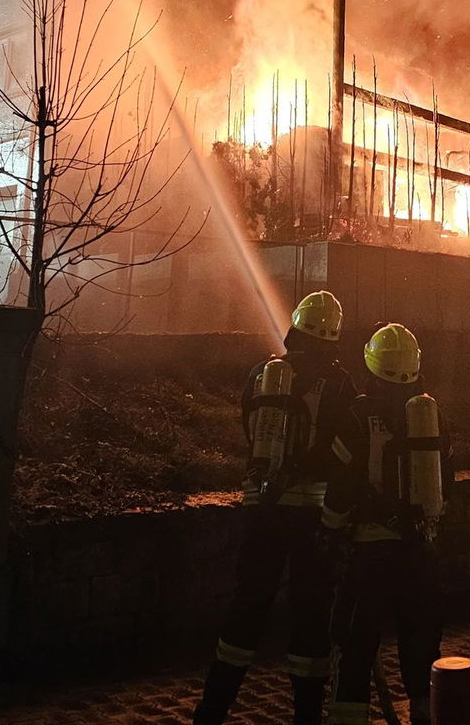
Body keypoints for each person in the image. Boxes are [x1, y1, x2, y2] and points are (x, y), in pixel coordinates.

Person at [193, 290, 358, 725]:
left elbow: (251, 430)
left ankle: (212, 710)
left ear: (296, 327)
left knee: (247, 605)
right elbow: (349, 450)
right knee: (311, 614)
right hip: (314, 517)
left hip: (262, 507)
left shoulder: (262, 375)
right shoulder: (341, 382)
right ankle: (307, 715)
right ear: (334, 335)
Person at [323, 323, 453, 725]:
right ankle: (424, 715)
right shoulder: (431, 416)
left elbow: (341, 488)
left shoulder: (357, 417)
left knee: (356, 646)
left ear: (371, 365)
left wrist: (329, 530)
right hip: (420, 552)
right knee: (422, 650)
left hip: (369, 553)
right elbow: (447, 481)